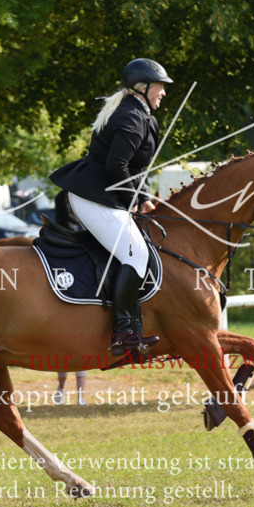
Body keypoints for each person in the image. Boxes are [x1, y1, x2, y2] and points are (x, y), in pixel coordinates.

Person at [49, 58, 171, 356]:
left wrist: (144, 196)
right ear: (142, 88)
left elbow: (132, 169)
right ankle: (122, 333)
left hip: (105, 195)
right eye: (160, 87)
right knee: (138, 255)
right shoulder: (131, 117)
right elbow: (116, 166)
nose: (164, 93)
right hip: (94, 197)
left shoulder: (141, 115)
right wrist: (137, 199)